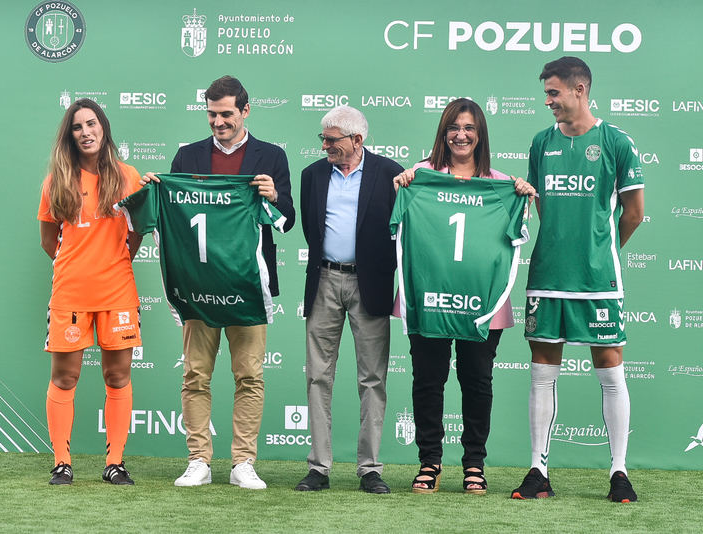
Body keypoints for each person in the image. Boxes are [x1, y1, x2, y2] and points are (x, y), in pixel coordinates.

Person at [145, 75, 294, 489]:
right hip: (198, 287)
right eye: (211, 114)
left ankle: (243, 462)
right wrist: (158, 193)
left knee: (249, 375)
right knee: (195, 375)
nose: (218, 121)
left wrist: (274, 196)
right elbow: (170, 220)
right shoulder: (187, 156)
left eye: (226, 114)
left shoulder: (271, 157)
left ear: (245, 111)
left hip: (247, 287)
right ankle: (199, 459)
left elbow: (288, 221)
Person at [511, 57, 644, 503]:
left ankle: (619, 473)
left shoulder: (616, 142)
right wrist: (564, 246)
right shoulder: (540, 142)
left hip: (598, 281)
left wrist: (597, 252)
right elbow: (541, 207)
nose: (548, 101)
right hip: (547, 276)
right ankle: (537, 471)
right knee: (542, 372)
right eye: (546, 93)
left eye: (554, 93)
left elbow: (634, 213)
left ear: (580, 89)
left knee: (610, 368)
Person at [393, 98, 534, 494]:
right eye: (454, 127)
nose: (461, 134)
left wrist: (522, 194)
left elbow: (517, 230)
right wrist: (404, 187)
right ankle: (430, 462)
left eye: (469, 128)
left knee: (477, 380)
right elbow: (400, 224)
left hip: (482, 301)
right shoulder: (420, 176)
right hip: (429, 295)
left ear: (480, 134)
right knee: (428, 380)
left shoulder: (501, 183)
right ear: (443, 132)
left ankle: (474, 463)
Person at [295, 106, 403, 494]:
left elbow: (402, 229)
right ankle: (319, 468)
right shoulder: (311, 175)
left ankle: (369, 468)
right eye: (323, 139)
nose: (325, 146)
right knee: (318, 375)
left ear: (357, 140)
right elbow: (310, 228)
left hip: (369, 283)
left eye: (332, 139)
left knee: (372, 378)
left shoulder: (391, 173)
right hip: (323, 278)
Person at [38, 99, 143, 485]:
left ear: (104, 128)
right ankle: (62, 462)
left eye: (92, 123)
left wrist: (109, 263)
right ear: (70, 136)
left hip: (117, 293)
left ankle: (114, 462)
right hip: (70, 294)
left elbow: (136, 238)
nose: (86, 132)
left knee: (118, 376)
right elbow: (50, 242)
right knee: (65, 377)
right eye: (78, 126)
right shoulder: (56, 182)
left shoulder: (128, 177)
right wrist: (80, 265)